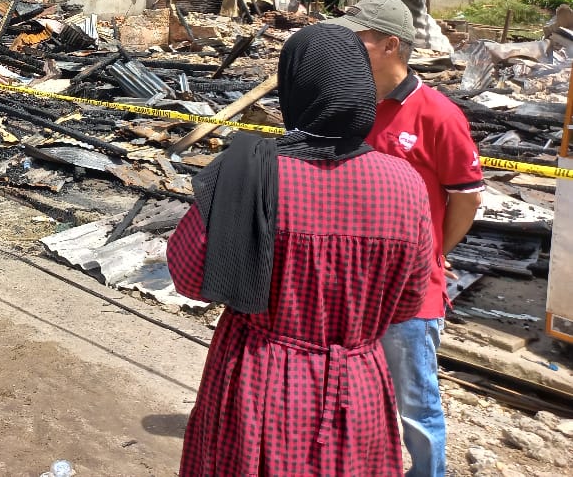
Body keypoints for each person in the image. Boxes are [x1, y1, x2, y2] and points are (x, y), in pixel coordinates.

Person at [167, 23, 434, 476]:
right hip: (360, 387)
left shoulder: (249, 170)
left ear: (295, 86)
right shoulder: (406, 184)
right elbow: (408, 302)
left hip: (257, 384)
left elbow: (190, 276)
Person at [328, 0, 483, 477]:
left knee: (415, 407)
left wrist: (433, 254)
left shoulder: (437, 115)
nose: (345, 47)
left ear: (390, 45)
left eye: (358, 39)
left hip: (410, 298)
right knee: (350, 397)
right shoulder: (347, 106)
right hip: (350, 289)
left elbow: (467, 198)